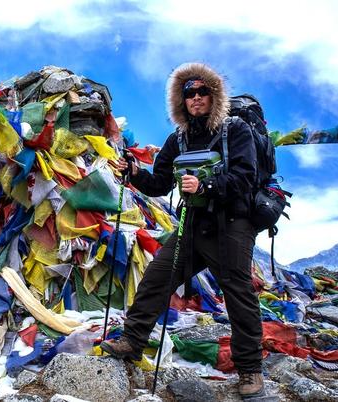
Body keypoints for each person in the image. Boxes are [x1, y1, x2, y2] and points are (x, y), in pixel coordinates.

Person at [101, 63, 265, 398]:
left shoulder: (236, 130)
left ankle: (250, 370)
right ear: (181, 99)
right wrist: (133, 172)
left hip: (232, 224)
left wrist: (205, 184)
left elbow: (246, 177)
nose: (196, 98)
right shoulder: (178, 139)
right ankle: (132, 341)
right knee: (157, 277)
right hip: (193, 225)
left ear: (214, 95)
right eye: (189, 93)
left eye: (203, 91)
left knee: (238, 293)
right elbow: (160, 183)